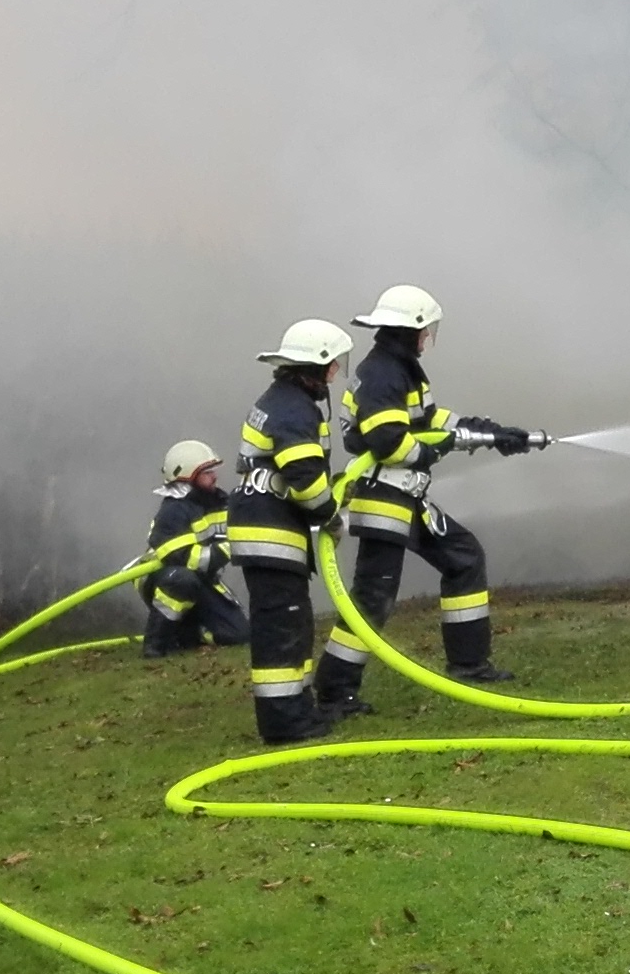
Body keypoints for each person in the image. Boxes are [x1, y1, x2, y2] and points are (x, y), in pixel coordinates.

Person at [323, 283, 544, 702]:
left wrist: (490, 432)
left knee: (464, 558)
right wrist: (433, 448)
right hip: (384, 499)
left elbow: (429, 419)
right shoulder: (384, 373)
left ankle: (469, 664)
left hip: (406, 497)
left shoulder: (398, 368)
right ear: (411, 330)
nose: (427, 338)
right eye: (425, 331)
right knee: (372, 599)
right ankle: (335, 690)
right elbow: (388, 441)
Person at [233, 319, 358, 743]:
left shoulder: (283, 401)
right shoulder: (294, 409)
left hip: (270, 530)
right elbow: (303, 476)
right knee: (281, 630)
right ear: (316, 365)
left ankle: (299, 712)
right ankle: (285, 725)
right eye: (333, 365)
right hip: (269, 533)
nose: (336, 374)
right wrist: (330, 513)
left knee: (295, 623)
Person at [138, 439, 246, 658]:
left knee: (239, 634)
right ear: (187, 475)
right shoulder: (174, 511)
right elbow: (185, 558)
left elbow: (240, 525)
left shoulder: (216, 502)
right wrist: (230, 548)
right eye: (207, 472)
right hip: (166, 578)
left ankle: (187, 635)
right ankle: (155, 644)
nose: (215, 476)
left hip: (201, 579)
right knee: (183, 580)